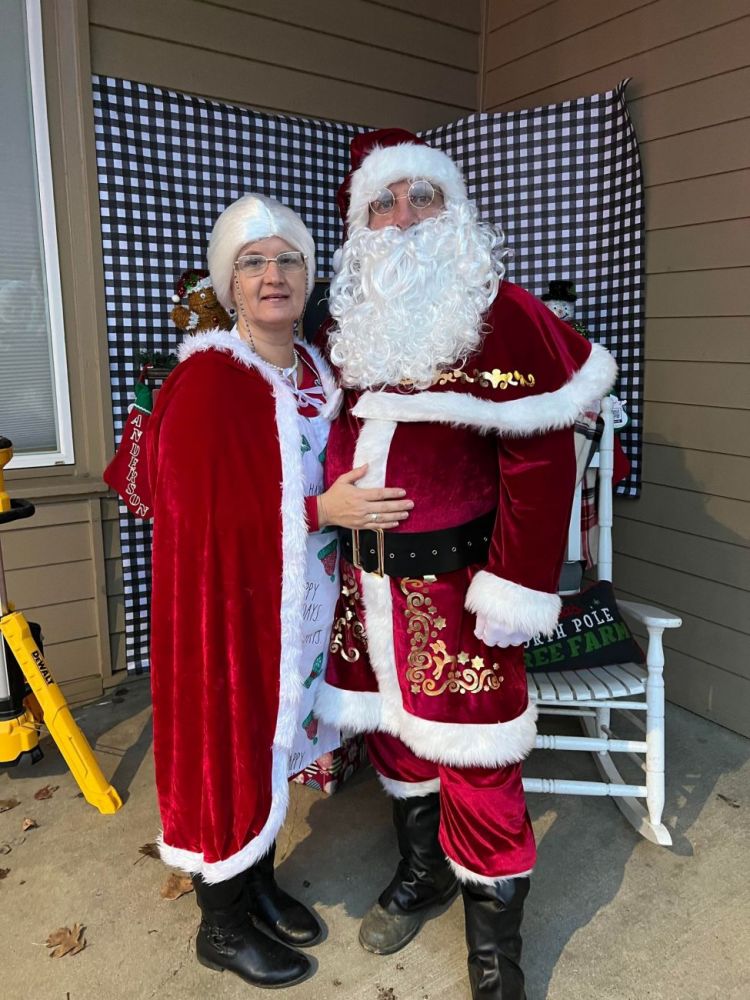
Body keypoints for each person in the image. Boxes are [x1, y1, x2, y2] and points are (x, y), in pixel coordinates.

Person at [314, 130, 617, 999]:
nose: (403, 217)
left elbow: (542, 465)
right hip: (364, 586)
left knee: (478, 764)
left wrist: (516, 587)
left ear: (454, 212)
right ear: (362, 224)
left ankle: (494, 951)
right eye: (384, 202)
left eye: (422, 197)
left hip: (456, 588)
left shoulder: (504, 314)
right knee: (395, 744)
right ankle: (425, 872)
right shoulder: (349, 326)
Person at [144, 193, 412, 989]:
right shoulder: (207, 379)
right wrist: (316, 511)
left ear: (307, 276)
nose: (272, 275)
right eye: (253, 262)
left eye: (288, 260)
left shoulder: (317, 371)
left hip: (304, 604)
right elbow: (189, 512)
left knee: (272, 747)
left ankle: (253, 880)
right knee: (228, 747)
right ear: (230, 283)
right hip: (229, 610)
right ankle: (220, 926)